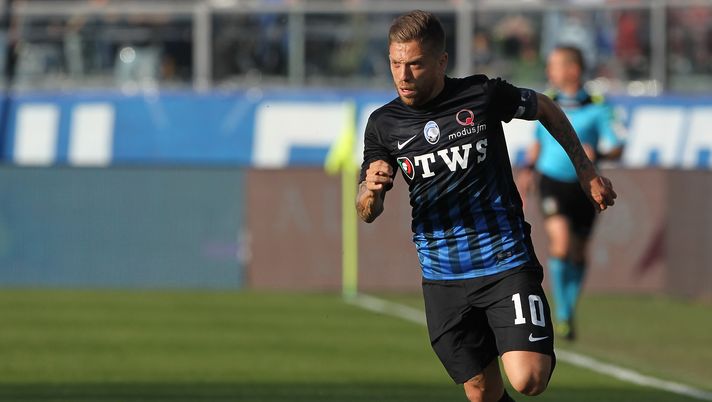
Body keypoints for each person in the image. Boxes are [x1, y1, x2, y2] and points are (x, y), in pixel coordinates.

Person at [356, 11, 617, 402]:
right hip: (442, 277)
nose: (403, 76)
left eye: (415, 64)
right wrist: (370, 192)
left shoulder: (481, 95)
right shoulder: (383, 124)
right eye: (395, 64)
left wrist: (586, 172)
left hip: (504, 263)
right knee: (481, 392)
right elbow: (366, 209)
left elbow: (545, 107)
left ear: (441, 61)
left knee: (529, 378)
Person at [518, 45, 624, 341]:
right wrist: (528, 170)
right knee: (561, 244)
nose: (549, 70)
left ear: (573, 70)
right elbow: (538, 141)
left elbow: (617, 146)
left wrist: (599, 153)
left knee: (578, 253)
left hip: (585, 186)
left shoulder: (598, 105)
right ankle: (563, 313)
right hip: (552, 180)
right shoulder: (546, 101)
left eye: (555, 65)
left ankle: (568, 309)